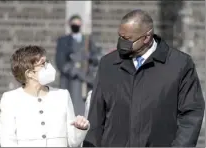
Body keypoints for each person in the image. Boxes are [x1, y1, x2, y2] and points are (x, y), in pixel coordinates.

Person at [83, 9, 205, 147]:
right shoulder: (108, 64)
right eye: (120, 37)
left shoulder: (179, 64)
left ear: (147, 38)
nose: (122, 42)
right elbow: (96, 115)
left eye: (127, 39)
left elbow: (191, 115)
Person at [0, 45, 90, 147]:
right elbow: (7, 140)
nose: (48, 66)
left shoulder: (62, 96)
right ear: (29, 73)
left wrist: (80, 128)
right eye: (43, 64)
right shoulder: (11, 99)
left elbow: (73, 142)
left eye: (47, 62)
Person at [55, 14, 100, 116]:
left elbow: (96, 57)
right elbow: (60, 62)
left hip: (85, 81)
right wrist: (74, 71)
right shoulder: (63, 40)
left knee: (84, 108)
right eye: (74, 24)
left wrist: (89, 58)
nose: (76, 26)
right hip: (70, 80)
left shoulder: (88, 40)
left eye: (78, 24)